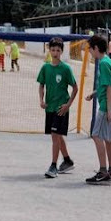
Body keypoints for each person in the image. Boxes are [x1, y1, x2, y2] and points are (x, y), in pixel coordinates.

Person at [37, 37, 78, 178]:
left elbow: (75, 88)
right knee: (57, 136)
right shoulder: (45, 67)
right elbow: (41, 85)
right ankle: (67, 160)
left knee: (55, 136)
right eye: (53, 50)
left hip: (61, 108)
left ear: (62, 52)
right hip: (50, 107)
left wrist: (68, 105)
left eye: (58, 50)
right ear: (49, 50)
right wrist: (41, 100)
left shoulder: (65, 68)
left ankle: (53, 166)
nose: (55, 53)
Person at [84, 34, 111, 184]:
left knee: (96, 135)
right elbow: (106, 84)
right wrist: (94, 93)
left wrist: (108, 110)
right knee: (108, 139)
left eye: (90, 49)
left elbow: (110, 87)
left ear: (96, 48)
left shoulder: (104, 64)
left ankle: (103, 171)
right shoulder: (108, 62)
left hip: (107, 106)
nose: (89, 52)